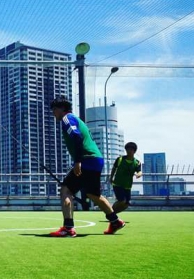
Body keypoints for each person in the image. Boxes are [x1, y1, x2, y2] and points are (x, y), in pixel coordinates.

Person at [49, 96, 125, 237]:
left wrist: (77, 162)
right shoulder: (76, 119)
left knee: (66, 190)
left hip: (87, 160)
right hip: (96, 159)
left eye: (54, 110)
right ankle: (115, 221)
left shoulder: (67, 119)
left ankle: (68, 228)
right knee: (93, 194)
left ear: (61, 109)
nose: (53, 113)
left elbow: (77, 137)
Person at [109, 142, 142, 214]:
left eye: (131, 149)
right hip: (117, 184)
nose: (129, 151)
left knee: (126, 204)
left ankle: (113, 214)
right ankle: (110, 212)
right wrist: (111, 178)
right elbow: (114, 168)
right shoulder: (120, 159)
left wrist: (138, 174)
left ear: (134, 151)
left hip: (127, 186)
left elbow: (139, 171)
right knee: (122, 201)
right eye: (127, 149)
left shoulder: (137, 162)